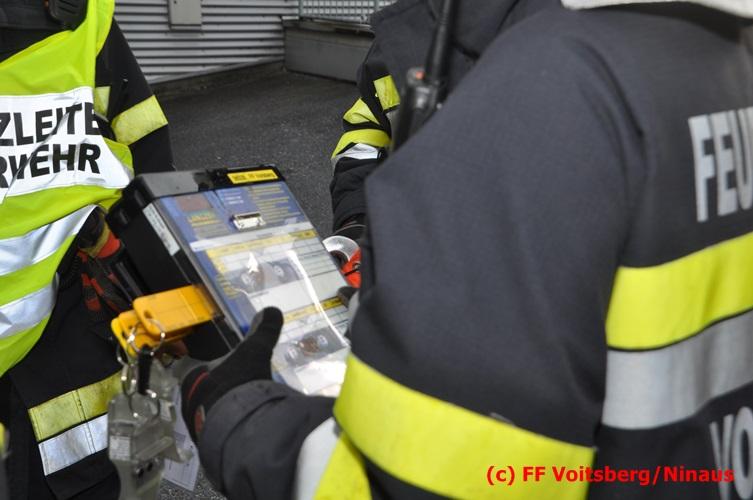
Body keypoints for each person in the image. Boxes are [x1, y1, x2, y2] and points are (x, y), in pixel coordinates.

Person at [181, 0, 753, 498]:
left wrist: (240, 418)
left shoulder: (544, 83)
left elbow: (440, 478)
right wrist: (364, 231)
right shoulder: (714, 54)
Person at [0, 0, 173, 497]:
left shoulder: (86, 17)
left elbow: (144, 143)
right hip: (83, 313)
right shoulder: (83, 16)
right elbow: (147, 149)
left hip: (85, 306)